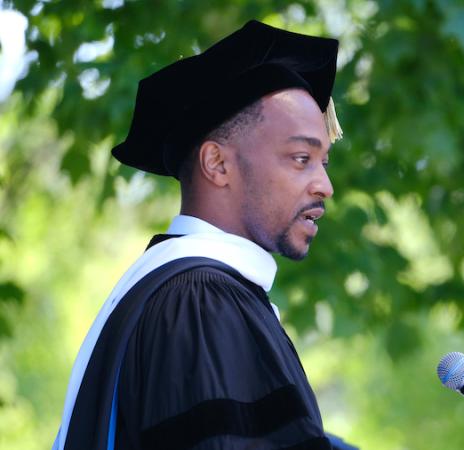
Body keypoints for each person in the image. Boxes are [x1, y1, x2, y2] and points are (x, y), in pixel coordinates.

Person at [52, 20, 354, 450]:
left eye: (323, 162)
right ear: (217, 164)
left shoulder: (172, 291)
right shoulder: (202, 300)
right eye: (301, 158)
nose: (325, 185)